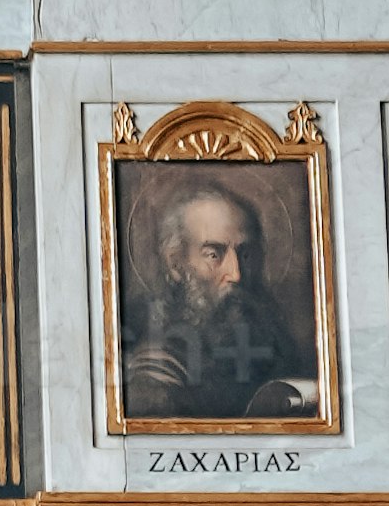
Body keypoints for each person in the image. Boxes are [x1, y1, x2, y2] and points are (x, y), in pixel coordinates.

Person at [116, 167, 312, 424]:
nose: (236, 274)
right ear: (176, 264)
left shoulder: (272, 335)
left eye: (245, 254)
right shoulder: (145, 341)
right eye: (213, 254)